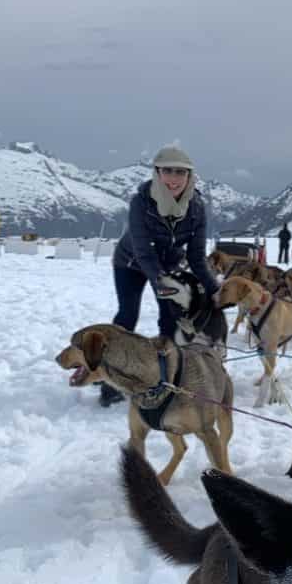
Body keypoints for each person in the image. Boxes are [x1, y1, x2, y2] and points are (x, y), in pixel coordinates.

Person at [101, 145, 218, 407]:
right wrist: (162, 283)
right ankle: (109, 378)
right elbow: (143, 251)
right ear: (157, 173)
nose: (174, 178)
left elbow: (197, 257)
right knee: (127, 315)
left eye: (181, 172)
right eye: (167, 171)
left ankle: (166, 376)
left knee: (170, 318)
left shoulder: (196, 208)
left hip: (168, 265)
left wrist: (214, 288)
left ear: (189, 176)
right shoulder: (141, 202)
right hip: (130, 263)